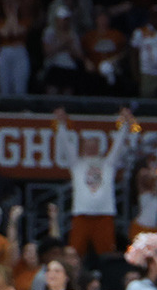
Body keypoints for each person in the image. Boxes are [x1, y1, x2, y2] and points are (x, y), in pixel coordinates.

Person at [57, 108, 135, 260]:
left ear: (99, 148)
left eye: (94, 145)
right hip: (81, 215)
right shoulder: (77, 164)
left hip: (104, 216)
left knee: (107, 255)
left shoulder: (108, 164)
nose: (91, 148)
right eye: (88, 145)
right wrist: (61, 124)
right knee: (74, 254)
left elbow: (118, 147)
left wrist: (125, 125)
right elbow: (66, 145)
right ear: (83, 147)